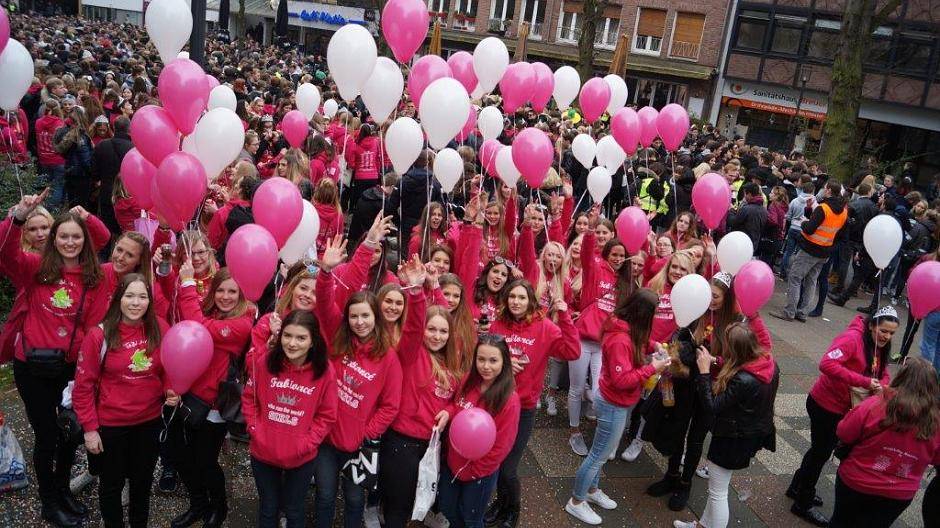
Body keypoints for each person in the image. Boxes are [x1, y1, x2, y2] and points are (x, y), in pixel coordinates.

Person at [2, 191, 110, 528]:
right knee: (47, 437)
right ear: (53, 238)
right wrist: (18, 217)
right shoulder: (35, 268)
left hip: (69, 369)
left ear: (84, 240)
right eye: (62, 235)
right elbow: (5, 250)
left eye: (76, 236)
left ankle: (62, 490)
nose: (69, 242)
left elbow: (104, 237)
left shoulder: (94, 277)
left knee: (70, 434)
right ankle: (49, 501)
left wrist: (87, 216)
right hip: (32, 367)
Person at [313, 236, 402, 528]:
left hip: (358, 446)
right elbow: (325, 303)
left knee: (353, 501)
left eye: (365, 316)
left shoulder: (387, 357)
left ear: (375, 318)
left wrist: (366, 433)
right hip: (326, 438)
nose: (359, 322)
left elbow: (390, 405)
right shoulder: (338, 339)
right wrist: (325, 272)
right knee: (325, 496)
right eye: (353, 316)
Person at [72, 274, 172, 528]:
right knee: (111, 485)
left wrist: (172, 389)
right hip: (111, 425)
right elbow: (83, 387)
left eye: (142, 296)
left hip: (148, 423)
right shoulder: (99, 336)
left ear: (150, 301)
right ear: (118, 299)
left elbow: (168, 369)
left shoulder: (160, 327)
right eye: (129, 296)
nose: (136, 302)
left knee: (142, 482)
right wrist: (90, 430)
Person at [565, 289, 671, 525]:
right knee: (598, 455)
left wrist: (655, 346)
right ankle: (576, 501)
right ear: (643, 315)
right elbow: (622, 380)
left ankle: (591, 491)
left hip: (616, 402)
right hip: (613, 403)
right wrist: (652, 368)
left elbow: (642, 340)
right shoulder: (620, 340)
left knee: (600, 453)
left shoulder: (627, 328)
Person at [788, 307, 899, 526]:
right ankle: (802, 502)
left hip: (843, 407)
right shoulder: (851, 339)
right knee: (820, 453)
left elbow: (883, 372)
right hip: (825, 405)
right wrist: (864, 381)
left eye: (892, 333)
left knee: (818, 451)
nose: (887, 336)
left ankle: (797, 488)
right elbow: (826, 364)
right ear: (871, 325)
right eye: (883, 331)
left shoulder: (879, 346)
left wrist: (882, 385)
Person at [485, 279, 580, 527]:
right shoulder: (497, 324)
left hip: (523, 408)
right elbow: (486, 360)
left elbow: (572, 352)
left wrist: (565, 316)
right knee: (494, 463)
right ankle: (500, 503)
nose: (516, 302)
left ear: (530, 301)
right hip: (496, 403)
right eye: (512, 297)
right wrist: (503, 366)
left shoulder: (545, 327)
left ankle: (512, 510)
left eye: (521, 297)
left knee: (508, 467)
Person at [169, 265, 254, 528]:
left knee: (206, 461)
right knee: (184, 457)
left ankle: (219, 507)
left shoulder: (242, 322)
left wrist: (187, 285)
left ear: (242, 295)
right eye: (221, 290)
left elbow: (199, 327)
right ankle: (198, 504)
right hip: (189, 395)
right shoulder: (210, 311)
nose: (226, 296)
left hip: (216, 404)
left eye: (233, 292)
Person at [673, 322, 779, 528]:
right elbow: (737, 363)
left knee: (718, 493)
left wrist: (704, 373)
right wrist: (715, 360)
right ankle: (702, 525)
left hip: (733, 440)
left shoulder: (743, 380)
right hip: (748, 434)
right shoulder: (766, 364)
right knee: (717, 487)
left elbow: (712, 406)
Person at [378, 256, 455, 528]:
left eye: (442, 331)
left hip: (432, 447)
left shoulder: (454, 362)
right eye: (430, 329)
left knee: (419, 508)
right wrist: (416, 292)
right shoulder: (410, 354)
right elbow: (412, 327)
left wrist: (450, 410)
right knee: (397, 512)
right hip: (402, 444)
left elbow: (459, 400)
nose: (436, 336)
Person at [242, 310, 338, 528]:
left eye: (301, 338)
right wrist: (256, 430)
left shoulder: (325, 371)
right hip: (263, 454)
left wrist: (307, 443)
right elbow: (249, 398)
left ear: (313, 341)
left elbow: (327, 415)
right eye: (287, 336)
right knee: (268, 508)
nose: (292, 343)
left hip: (300, 458)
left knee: (294, 510)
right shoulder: (265, 361)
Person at [827, 357, 940, 527]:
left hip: (857, 481)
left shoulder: (875, 404)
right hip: (899, 492)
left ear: (901, 377)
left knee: (841, 522)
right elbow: (936, 459)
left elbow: (844, 432)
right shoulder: (936, 422)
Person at [439, 334, 521, 528]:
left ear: (504, 362)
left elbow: (502, 446)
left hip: (479, 474)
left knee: (472, 518)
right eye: (481, 359)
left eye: (493, 360)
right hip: (452, 462)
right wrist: (447, 412)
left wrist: (474, 472)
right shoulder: (469, 380)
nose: (486, 366)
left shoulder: (509, 400)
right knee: (447, 507)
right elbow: (456, 404)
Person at [771, 180, 847, 322]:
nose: (823, 190)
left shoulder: (823, 208)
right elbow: (837, 232)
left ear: (829, 190)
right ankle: (802, 312)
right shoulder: (843, 211)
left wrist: (804, 222)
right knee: (811, 281)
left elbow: (809, 228)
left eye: (825, 188)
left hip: (810, 248)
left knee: (795, 277)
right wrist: (808, 211)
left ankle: (789, 312)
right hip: (825, 251)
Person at [90, 116, 134, 235]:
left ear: (113, 128)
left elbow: (94, 170)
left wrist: (97, 181)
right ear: (129, 129)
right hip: (126, 193)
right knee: (125, 227)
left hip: (106, 190)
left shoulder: (102, 145)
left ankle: (106, 251)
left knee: (107, 226)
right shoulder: (134, 148)